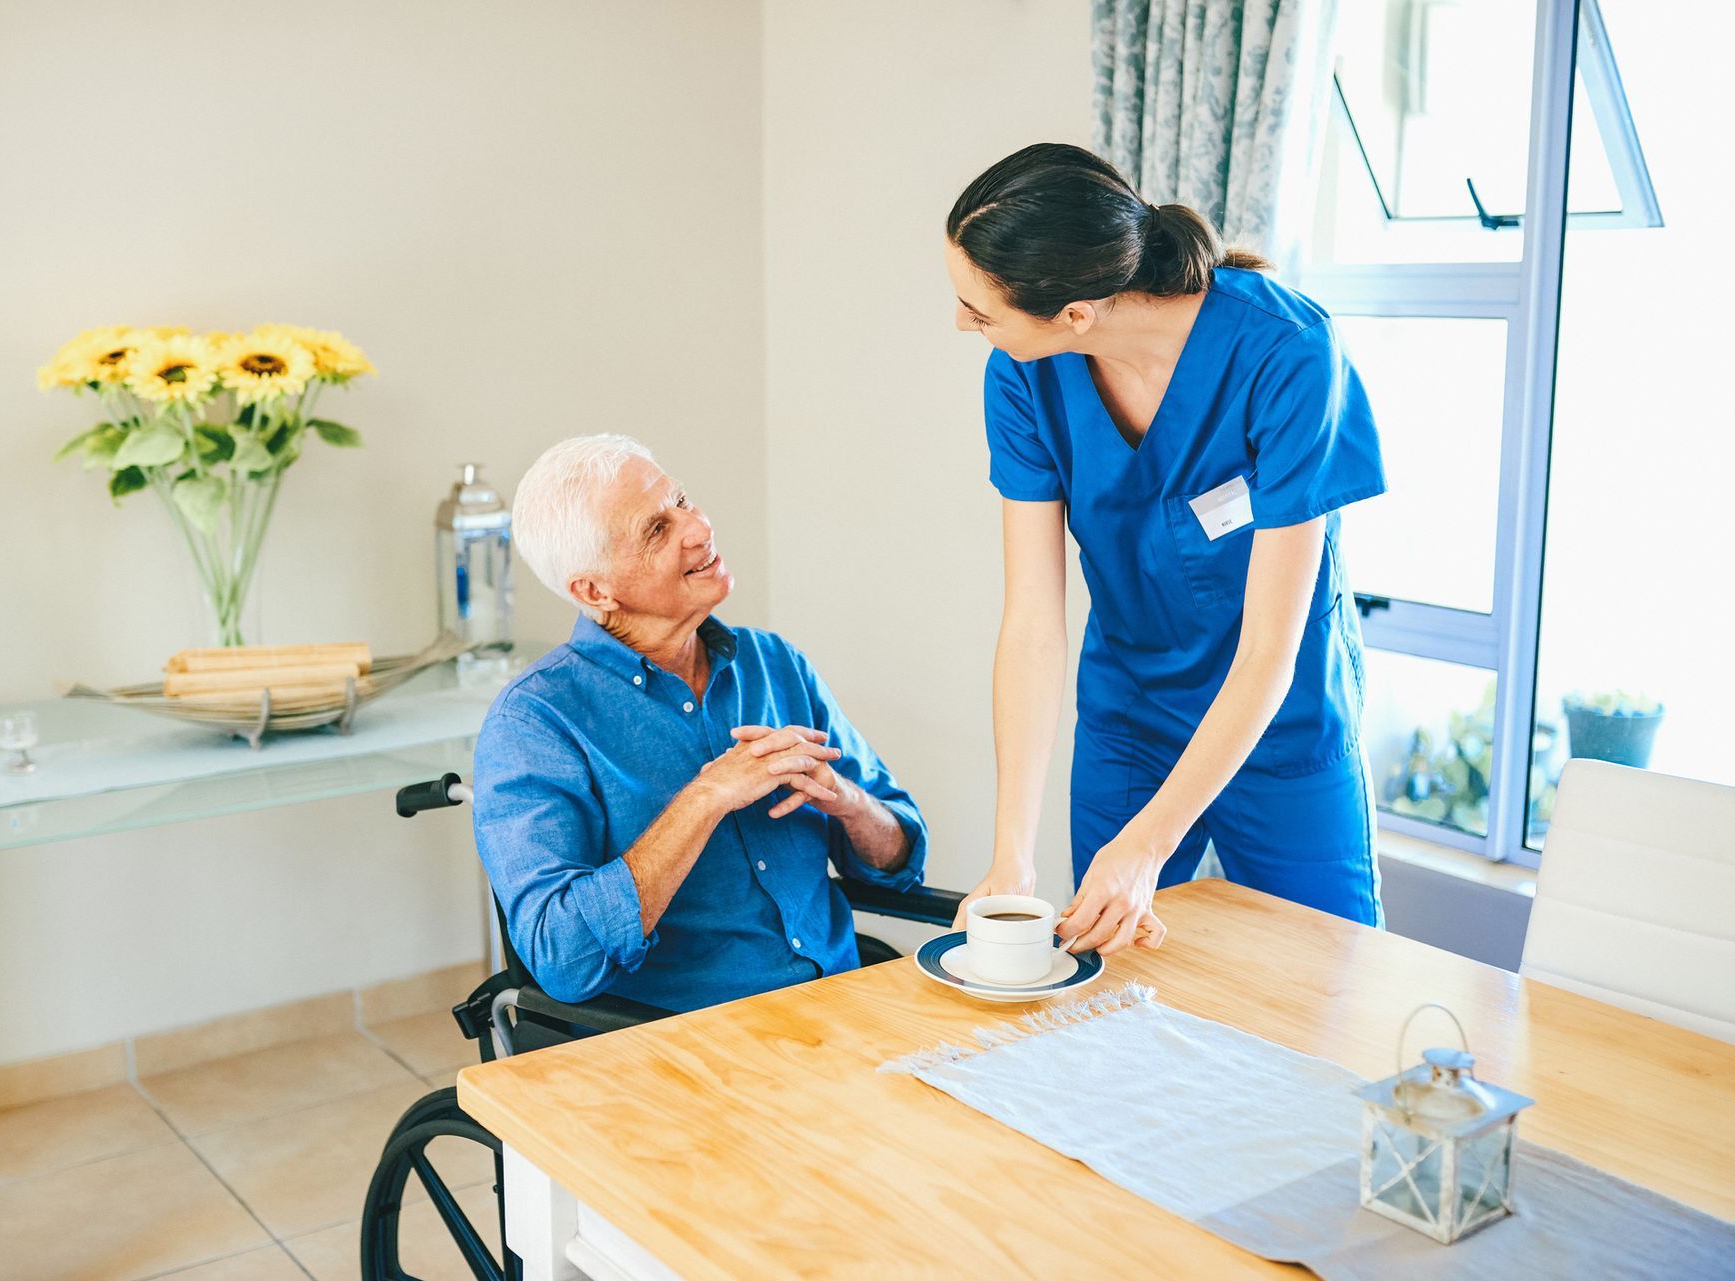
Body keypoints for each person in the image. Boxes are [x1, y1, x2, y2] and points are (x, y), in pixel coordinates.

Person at [944, 143, 1387, 956]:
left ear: (1076, 311)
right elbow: (1035, 622)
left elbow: (1267, 653)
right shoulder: (1024, 373)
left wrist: (1148, 846)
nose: (965, 324)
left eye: (980, 311)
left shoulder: (1286, 352)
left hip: (1279, 719)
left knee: (1330, 985)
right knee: (1113, 989)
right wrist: (1011, 855)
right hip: (1132, 718)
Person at [473, 434, 927, 1010]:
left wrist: (847, 801)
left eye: (681, 500)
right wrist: (705, 798)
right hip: (687, 1045)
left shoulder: (775, 663)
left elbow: (901, 864)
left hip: (842, 1007)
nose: (699, 528)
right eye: (656, 530)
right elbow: (563, 957)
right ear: (594, 590)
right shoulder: (535, 721)